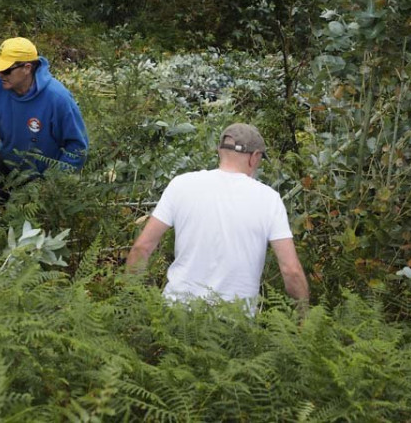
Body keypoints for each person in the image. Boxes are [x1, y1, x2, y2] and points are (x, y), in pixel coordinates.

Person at [126, 123, 309, 313]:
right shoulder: (268, 199)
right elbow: (291, 270)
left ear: (219, 151)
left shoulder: (181, 185)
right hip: (234, 322)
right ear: (254, 158)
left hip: (175, 315)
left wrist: (130, 301)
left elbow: (142, 247)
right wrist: (305, 318)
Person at [0, 37, 88, 207]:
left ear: (27, 68)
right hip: (6, 162)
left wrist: (53, 183)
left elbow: (77, 147)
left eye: (6, 70)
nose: (0, 75)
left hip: (42, 175)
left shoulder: (58, 99)